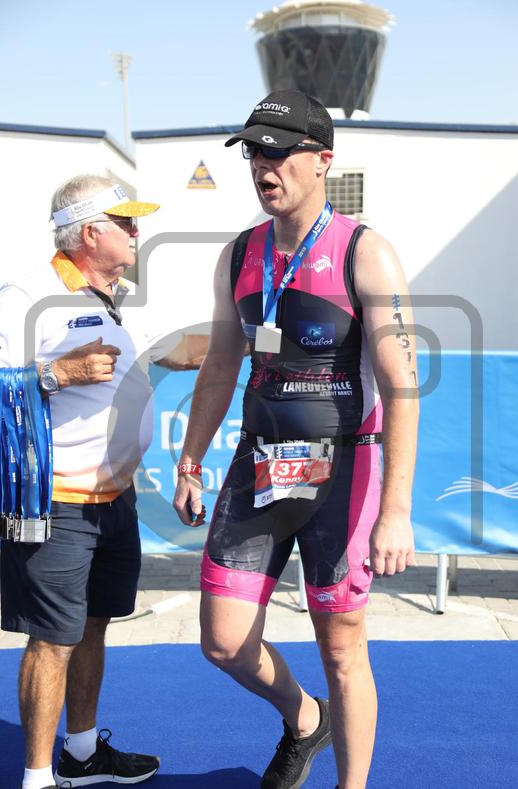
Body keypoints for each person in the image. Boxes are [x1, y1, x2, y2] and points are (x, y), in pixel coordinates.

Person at [173, 90, 419, 789]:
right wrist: (190, 459)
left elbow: (401, 386)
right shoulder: (239, 255)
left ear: (322, 160)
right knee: (223, 642)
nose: (264, 165)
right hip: (260, 467)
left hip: (344, 474)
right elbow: (221, 364)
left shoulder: (365, 252)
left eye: (280, 151)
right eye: (255, 151)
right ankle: (305, 717)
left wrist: (396, 510)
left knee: (341, 646)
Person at [0, 174, 206, 789]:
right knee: (51, 642)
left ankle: (82, 755)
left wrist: (267, 337)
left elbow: (185, 351)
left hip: (116, 501)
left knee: (92, 626)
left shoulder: (126, 298)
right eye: (127, 222)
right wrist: (58, 374)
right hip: (55, 501)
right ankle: (37, 779)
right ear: (89, 232)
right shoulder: (27, 294)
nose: (139, 232)